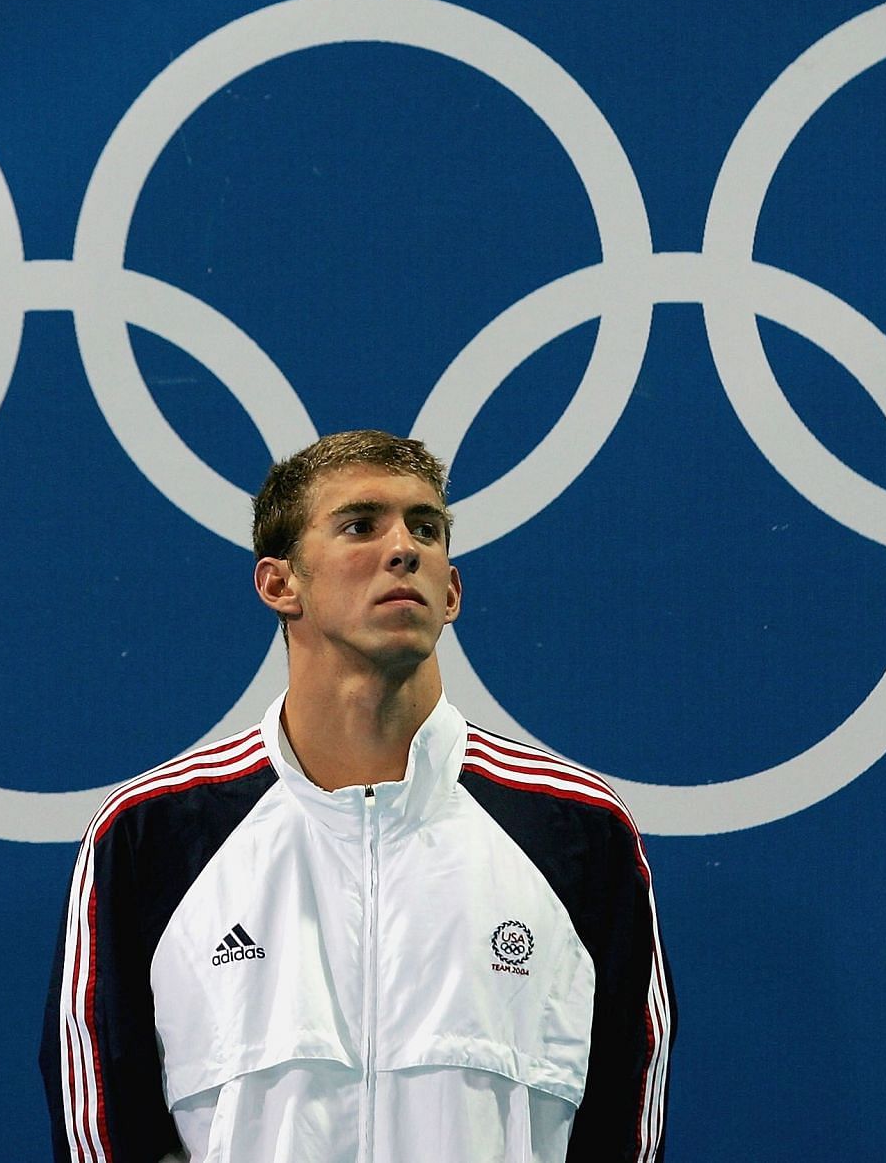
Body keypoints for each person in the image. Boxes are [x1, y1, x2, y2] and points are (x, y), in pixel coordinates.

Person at [43, 430, 671, 1161]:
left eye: (425, 528)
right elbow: (101, 1133)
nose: (403, 549)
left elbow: (626, 1127)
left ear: (453, 593)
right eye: (359, 526)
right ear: (280, 584)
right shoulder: (149, 833)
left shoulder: (578, 829)